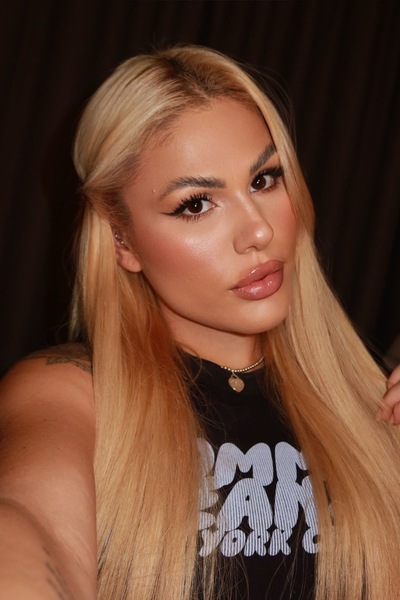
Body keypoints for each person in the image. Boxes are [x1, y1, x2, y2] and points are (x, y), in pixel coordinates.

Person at [0, 45, 400, 600]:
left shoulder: (371, 405)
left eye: (264, 179)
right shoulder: (72, 393)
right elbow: (31, 520)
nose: (258, 231)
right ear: (121, 239)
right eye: (196, 204)